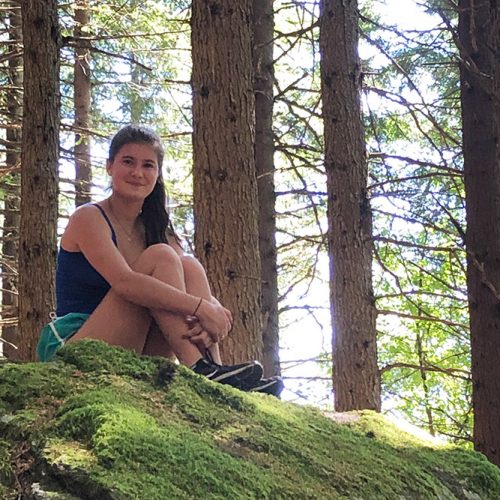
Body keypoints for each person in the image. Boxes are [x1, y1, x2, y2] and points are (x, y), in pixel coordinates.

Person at [37, 124, 283, 397]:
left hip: (137, 347)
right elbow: (125, 284)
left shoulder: (156, 228)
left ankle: (216, 371)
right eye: (128, 162)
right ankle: (200, 368)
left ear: (157, 175)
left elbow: (191, 285)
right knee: (161, 256)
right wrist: (201, 308)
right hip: (78, 346)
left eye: (148, 165)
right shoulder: (88, 218)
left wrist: (215, 314)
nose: (137, 173)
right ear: (109, 166)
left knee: (188, 264)